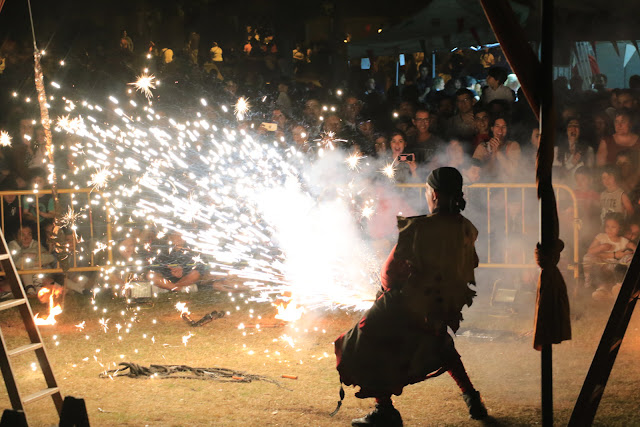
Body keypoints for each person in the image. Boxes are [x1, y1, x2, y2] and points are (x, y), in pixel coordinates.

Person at [335, 167, 487, 426]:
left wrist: (385, 292)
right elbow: (470, 265)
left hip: (407, 307)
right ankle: (472, 398)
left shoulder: (419, 227)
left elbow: (389, 274)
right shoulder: (467, 228)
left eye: (428, 192)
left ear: (435, 195)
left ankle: (384, 410)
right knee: (441, 343)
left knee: (357, 339)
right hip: (441, 309)